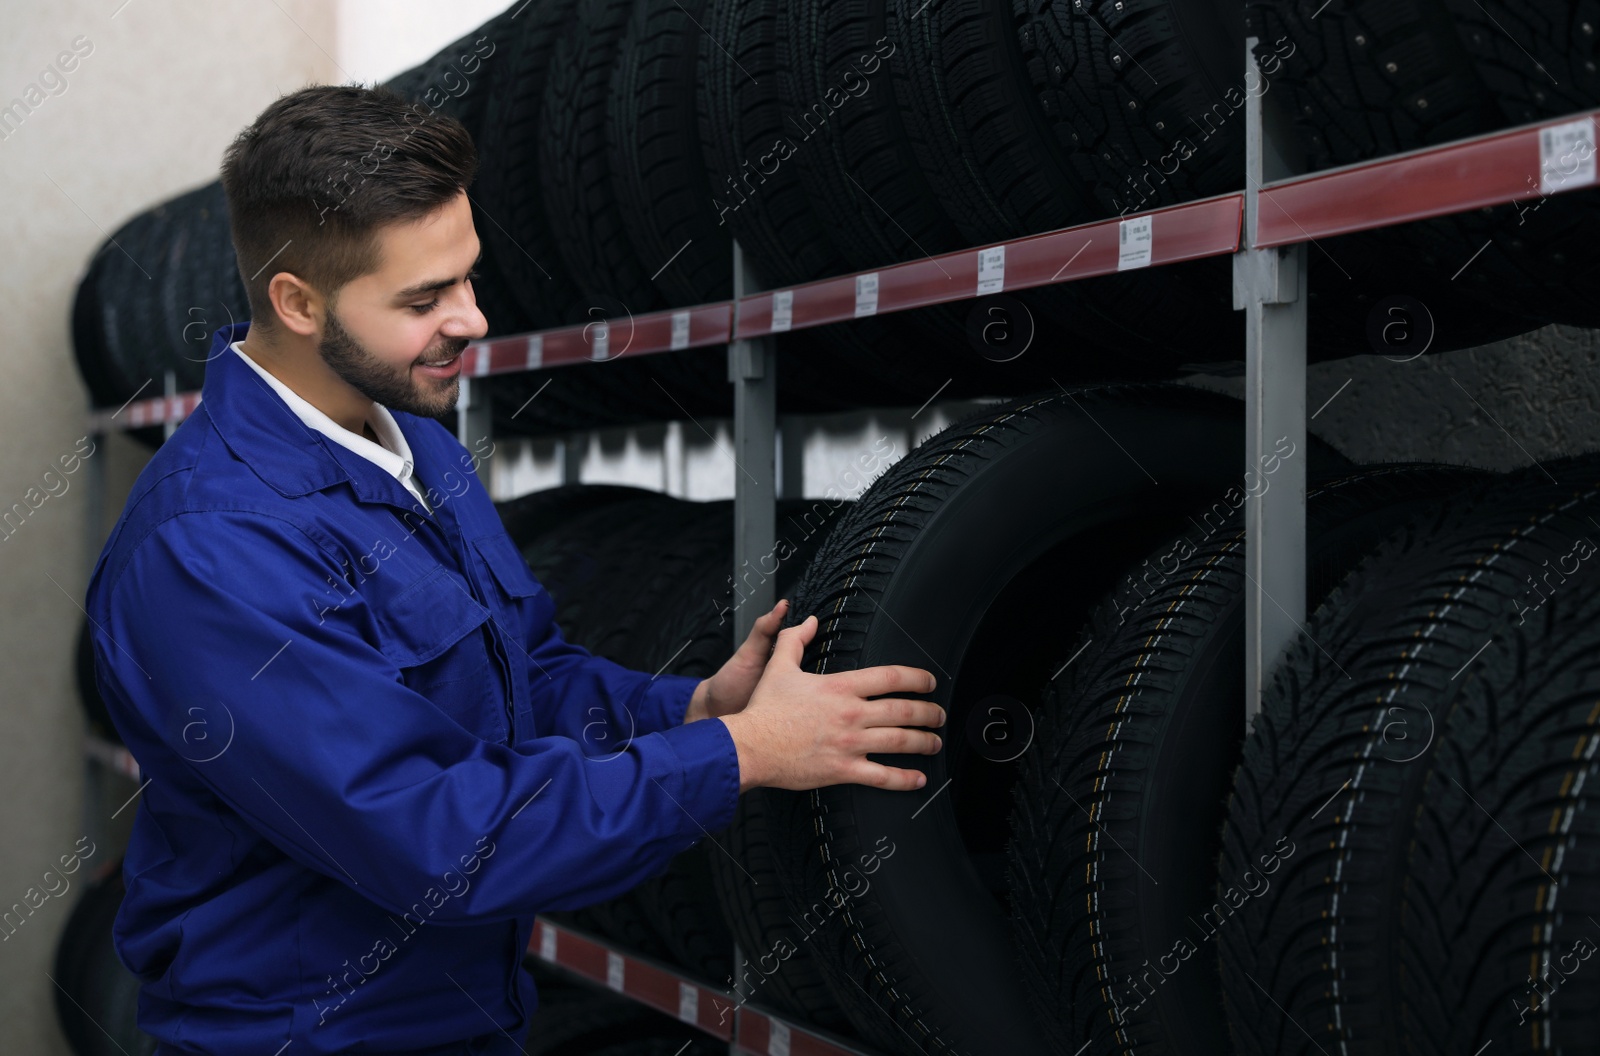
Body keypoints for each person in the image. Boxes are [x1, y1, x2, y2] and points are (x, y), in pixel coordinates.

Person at [82, 83, 944, 1056]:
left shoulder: (416, 445)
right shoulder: (210, 551)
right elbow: (436, 839)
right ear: (297, 302)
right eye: (424, 299)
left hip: (468, 1018)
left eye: (468, 278)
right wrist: (737, 757)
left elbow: (524, 680)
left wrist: (691, 709)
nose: (474, 320)